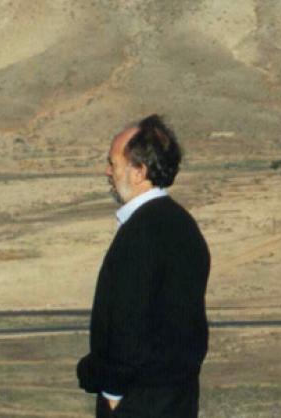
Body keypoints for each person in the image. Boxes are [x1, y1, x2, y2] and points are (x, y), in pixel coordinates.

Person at [77, 114, 211, 418]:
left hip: (137, 403)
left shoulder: (141, 233)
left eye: (113, 163)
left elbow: (127, 325)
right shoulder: (182, 225)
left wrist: (112, 393)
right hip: (176, 400)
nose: (107, 172)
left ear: (138, 171)